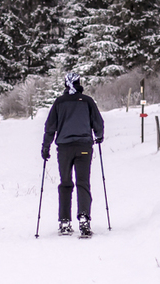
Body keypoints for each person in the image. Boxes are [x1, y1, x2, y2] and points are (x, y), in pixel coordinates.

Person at [41, 72, 104, 237]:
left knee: (66, 183)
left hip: (64, 149)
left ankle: (64, 222)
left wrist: (46, 146)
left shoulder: (59, 102)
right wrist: (99, 135)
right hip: (84, 146)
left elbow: (50, 126)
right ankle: (84, 219)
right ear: (79, 83)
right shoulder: (87, 101)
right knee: (83, 183)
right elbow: (98, 122)